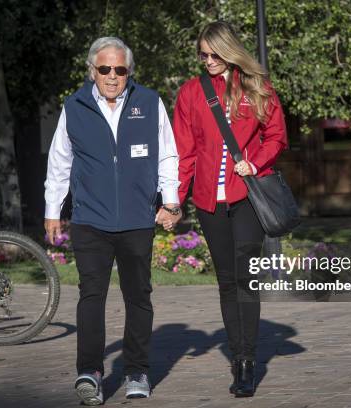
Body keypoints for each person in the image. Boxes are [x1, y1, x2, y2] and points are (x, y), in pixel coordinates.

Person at [44, 37, 181, 405]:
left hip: (137, 219)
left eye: (120, 69)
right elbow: (59, 164)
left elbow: (168, 155)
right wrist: (52, 211)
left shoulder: (149, 102)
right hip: (90, 220)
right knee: (91, 296)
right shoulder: (74, 106)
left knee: (138, 296)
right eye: (105, 69)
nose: (112, 76)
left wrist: (170, 201)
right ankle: (90, 371)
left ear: (129, 72)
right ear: (93, 70)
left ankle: (136, 370)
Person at [173, 21, 287, 397]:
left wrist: (253, 163)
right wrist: (175, 198)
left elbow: (277, 136)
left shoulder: (256, 87)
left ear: (229, 50)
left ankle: (249, 362)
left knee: (244, 279)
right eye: (202, 55)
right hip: (208, 201)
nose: (208, 61)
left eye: (214, 54)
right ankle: (237, 358)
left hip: (247, 198)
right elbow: (184, 152)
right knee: (226, 281)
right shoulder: (190, 93)